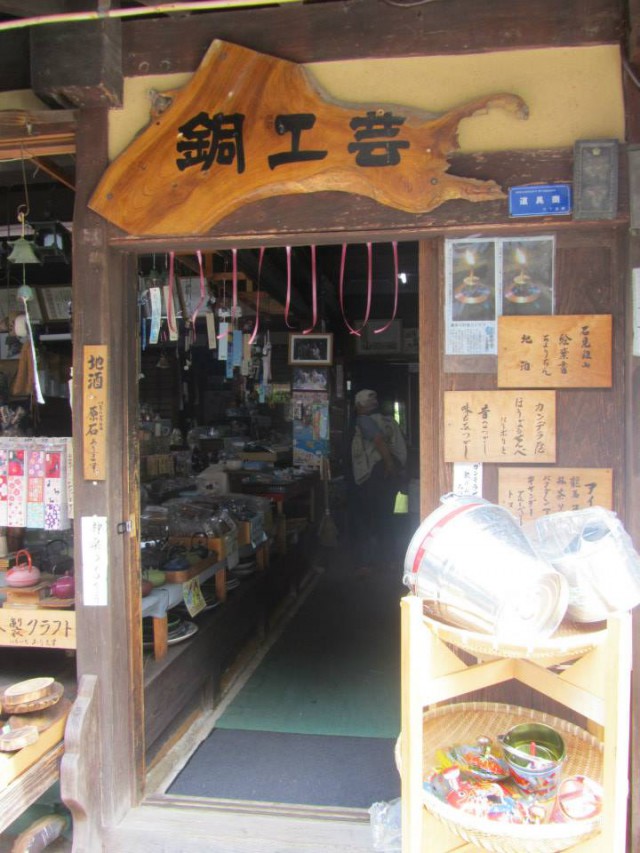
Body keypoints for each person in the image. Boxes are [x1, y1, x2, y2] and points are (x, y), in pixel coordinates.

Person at [350, 388, 407, 574]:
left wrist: (389, 464)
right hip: (386, 476)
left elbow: (379, 441)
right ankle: (389, 560)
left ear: (359, 405)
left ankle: (369, 562)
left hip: (376, 475)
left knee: (369, 518)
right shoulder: (387, 420)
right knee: (385, 517)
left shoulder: (365, 421)